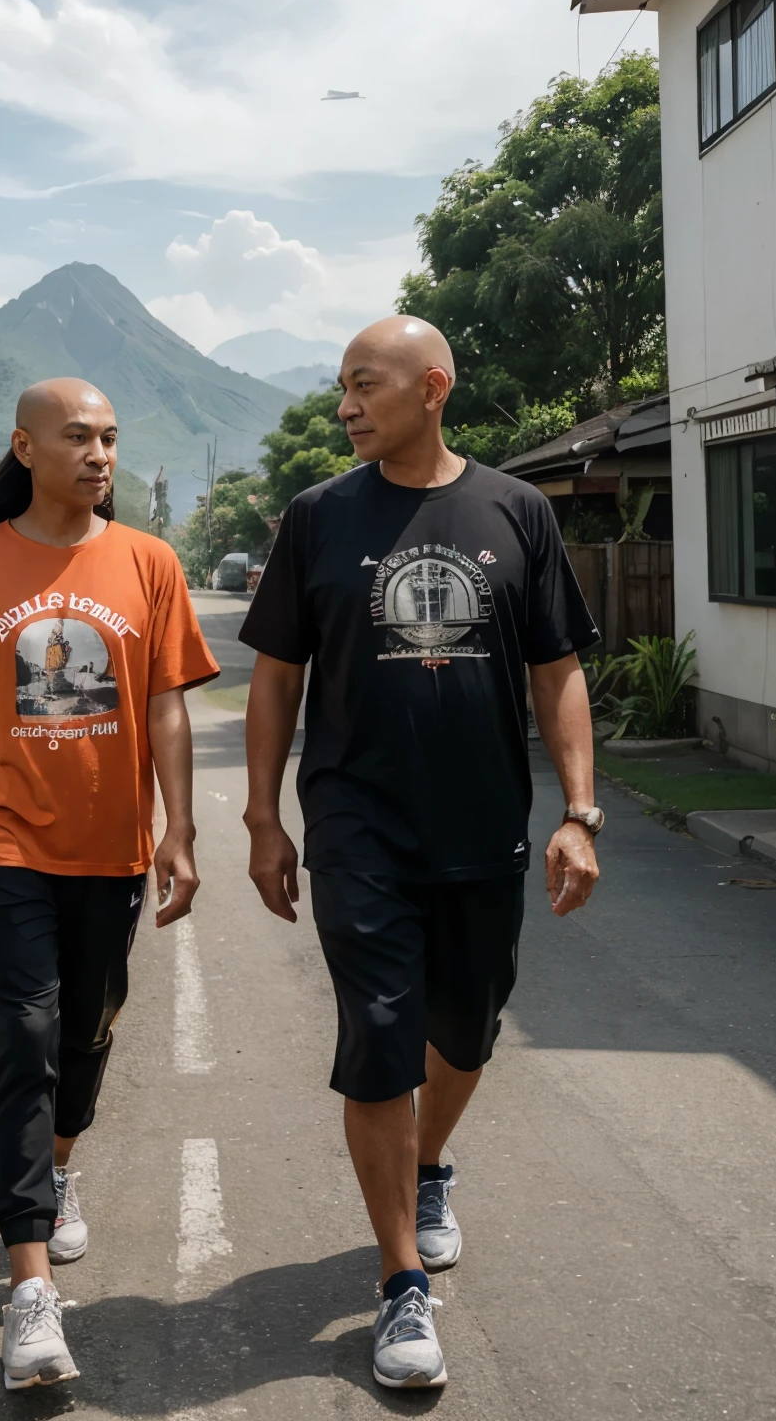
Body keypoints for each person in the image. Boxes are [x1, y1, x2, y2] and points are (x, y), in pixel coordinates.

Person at [239, 316, 603, 1390]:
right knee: (383, 1033)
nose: (345, 406)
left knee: (469, 1028)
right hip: (359, 829)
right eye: (341, 388)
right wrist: (266, 818)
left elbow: (558, 672)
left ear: (431, 387)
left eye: (364, 386)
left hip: (483, 829)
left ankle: (430, 1162)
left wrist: (579, 811)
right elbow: (273, 680)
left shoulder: (517, 512)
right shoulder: (317, 518)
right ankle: (402, 1285)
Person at [0, 378, 219, 1391]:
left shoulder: (149, 563)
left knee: (87, 1029)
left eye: (110, 438)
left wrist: (180, 829)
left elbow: (166, 706)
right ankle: (29, 1286)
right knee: (24, 1032)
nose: (99, 454)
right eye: (77, 436)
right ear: (26, 449)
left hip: (110, 846)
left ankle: (57, 1168)